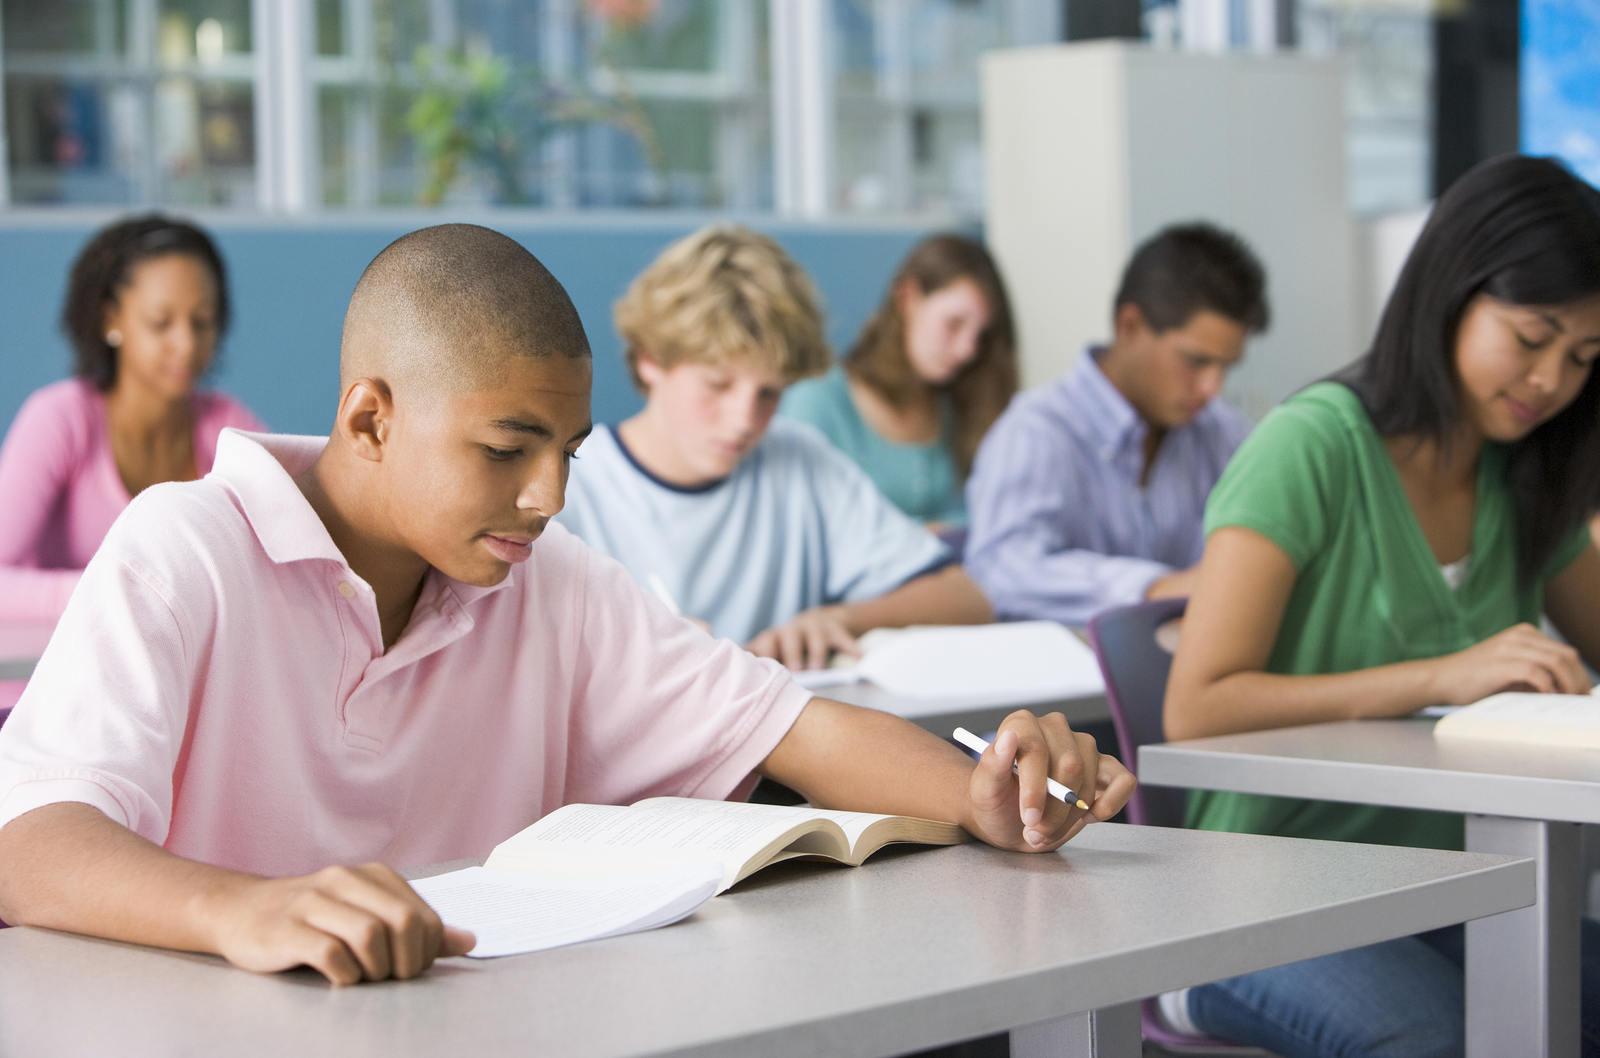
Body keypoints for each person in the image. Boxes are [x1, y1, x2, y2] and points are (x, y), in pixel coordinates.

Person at [0, 224, 1135, 985]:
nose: (546, 495)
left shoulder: (551, 581)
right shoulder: (185, 543)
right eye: (507, 447)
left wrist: (986, 794)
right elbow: (28, 844)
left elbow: (798, 728)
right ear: (369, 419)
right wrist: (239, 912)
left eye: (567, 450)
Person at [1162, 155, 1600, 1057]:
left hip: (1449, 885)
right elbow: (1198, 706)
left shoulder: (1528, 468)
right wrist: (1443, 675)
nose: (1552, 379)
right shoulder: (1310, 445)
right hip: (1255, 894)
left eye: (1585, 358)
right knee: (1440, 1039)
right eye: (1532, 337)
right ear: (1452, 294)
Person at [557, 225, 994, 670]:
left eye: (769, 393)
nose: (745, 420)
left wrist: (839, 619)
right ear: (650, 360)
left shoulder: (799, 460)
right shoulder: (569, 486)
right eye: (718, 384)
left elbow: (966, 600)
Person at [963, 223, 1268, 627]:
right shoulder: (1037, 432)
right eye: (1195, 361)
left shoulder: (1224, 434)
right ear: (1129, 326)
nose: (1212, 388)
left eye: (1225, 367)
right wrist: (1154, 589)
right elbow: (999, 573)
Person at [0, 215, 265, 621]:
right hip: (50, 678)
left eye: (202, 322)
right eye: (161, 323)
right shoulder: (59, 419)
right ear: (111, 319)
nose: (186, 344)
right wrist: (128, 590)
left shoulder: (227, 425)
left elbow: (281, 555)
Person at [781, 234, 1017, 529]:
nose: (968, 349)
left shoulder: (957, 404)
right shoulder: (818, 400)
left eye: (980, 335)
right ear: (908, 299)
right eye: (954, 324)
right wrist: (926, 534)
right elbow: (808, 529)